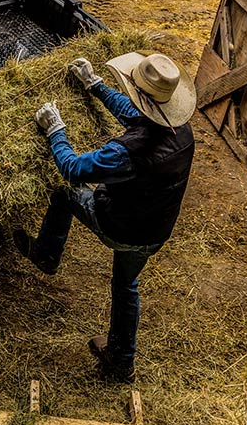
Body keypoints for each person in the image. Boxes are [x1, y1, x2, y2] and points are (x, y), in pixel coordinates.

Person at [22, 52, 196, 383]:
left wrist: (56, 130)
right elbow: (135, 114)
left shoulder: (127, 153)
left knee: (64, 191)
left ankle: (46, 253)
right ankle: (121, 360)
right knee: (126, 283)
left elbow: (73, 169)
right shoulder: (182, 131)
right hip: (155, 231)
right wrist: (96, 85)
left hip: (122, 227)